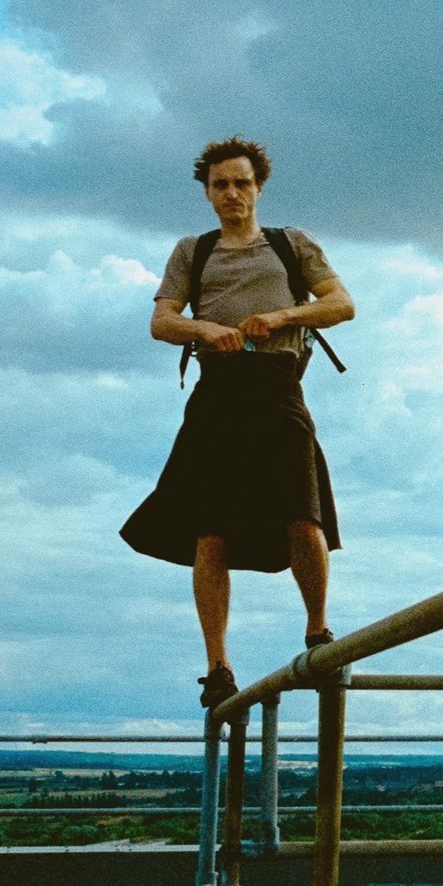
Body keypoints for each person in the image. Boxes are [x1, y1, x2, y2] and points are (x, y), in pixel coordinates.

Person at [120, 137, 355, 710]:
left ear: (259, 188)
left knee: (304, 513)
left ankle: (319, 631)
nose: (231, 193)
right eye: (220, 184)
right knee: (211, 531)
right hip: (218, 391)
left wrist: (280, 315)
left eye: (241, 183)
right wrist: (206, 330)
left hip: (278, 386)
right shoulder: (192, 252)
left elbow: (341, 304)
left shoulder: (290, 244)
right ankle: (218, 665)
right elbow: (161, 321)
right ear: (207, 192)